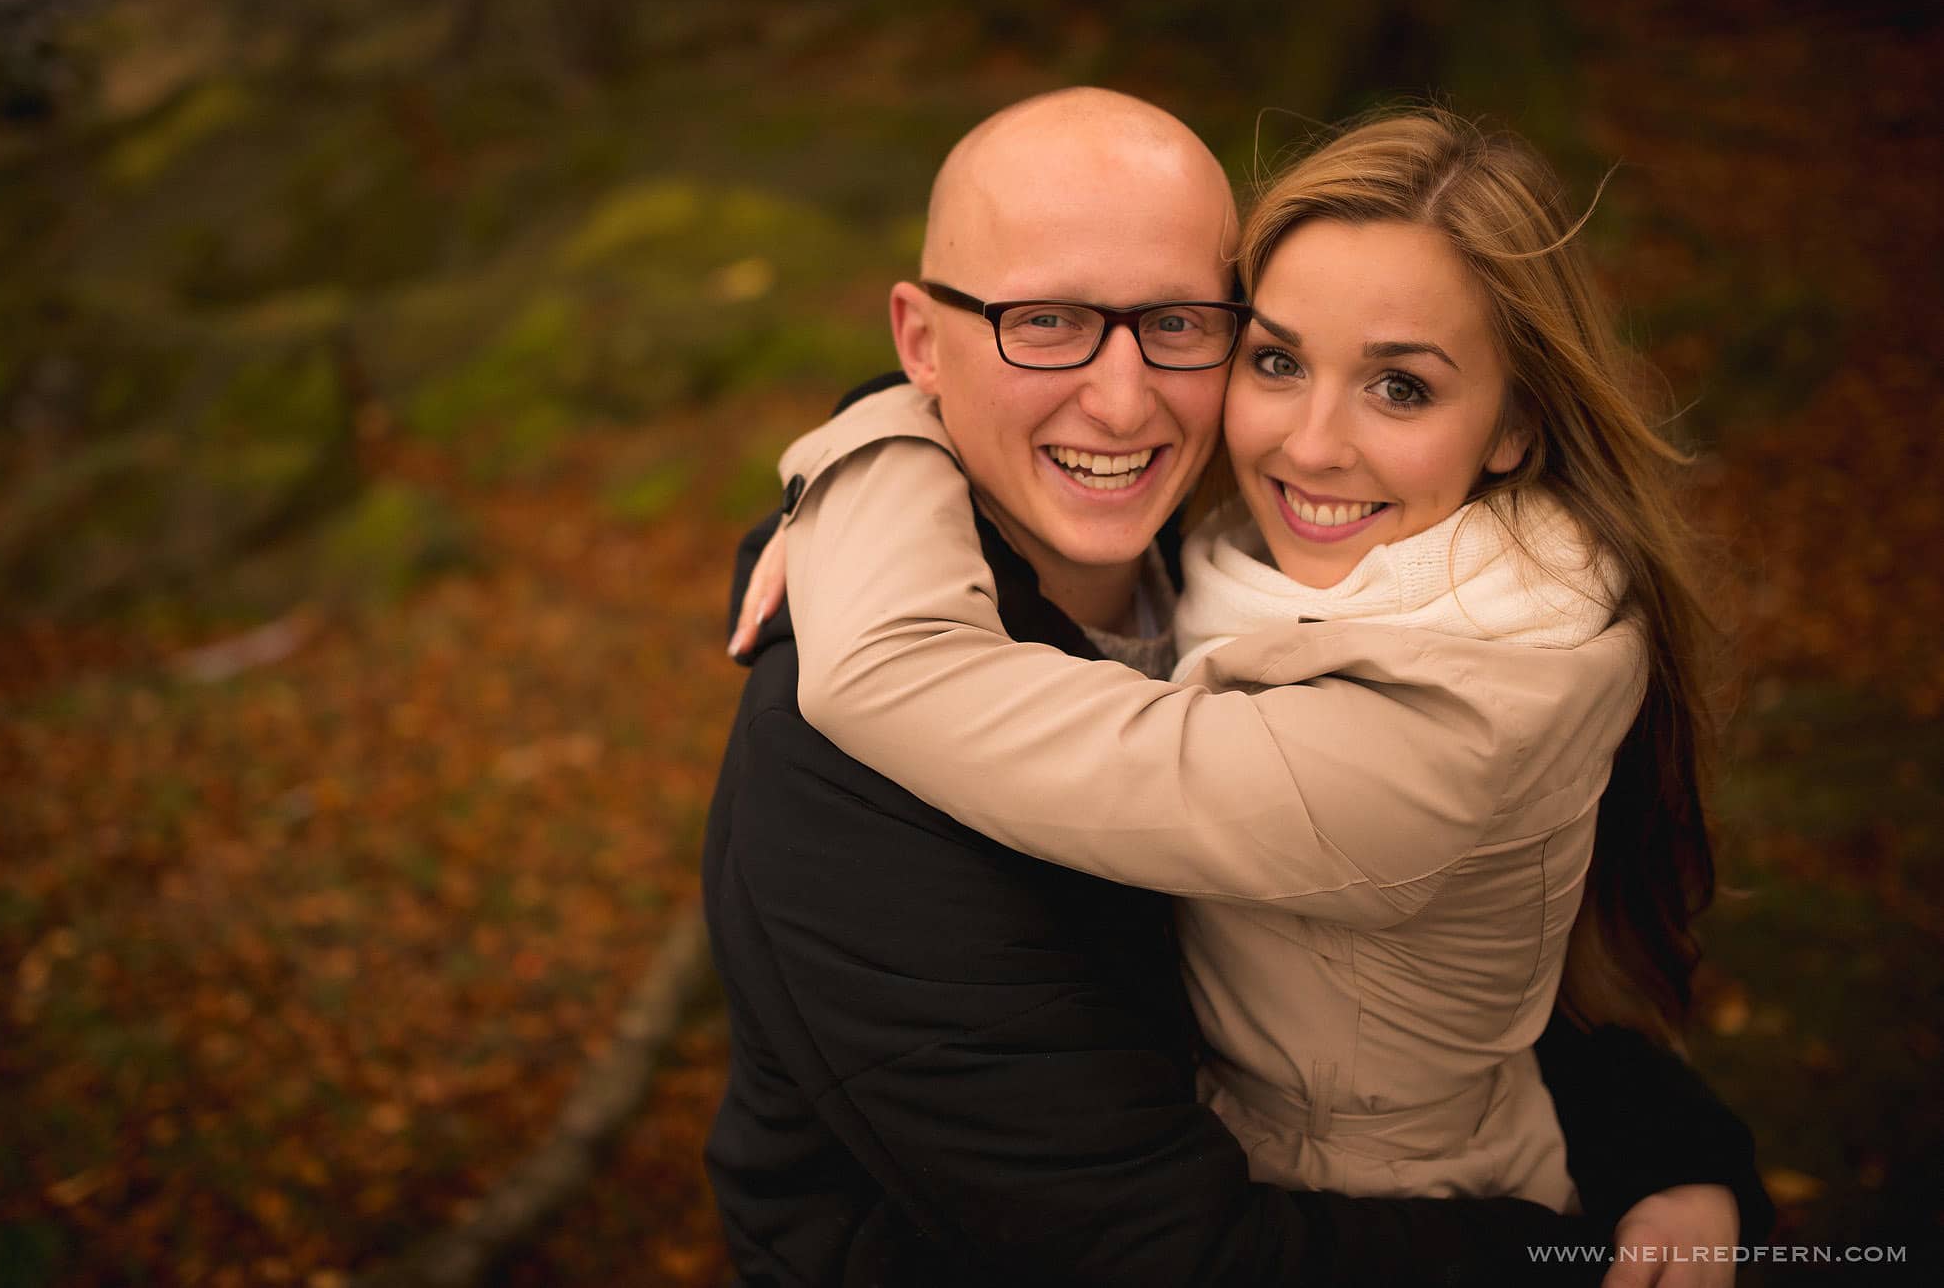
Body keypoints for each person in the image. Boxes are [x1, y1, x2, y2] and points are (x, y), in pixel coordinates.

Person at [704, 89, 1767, 1287]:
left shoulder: (1230, 564)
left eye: (1175, 323)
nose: (1119, 401)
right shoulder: (843, 785)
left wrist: (1667, 1153)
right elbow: (1172, 1255)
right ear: (921, 343)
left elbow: (1420, 961)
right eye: (1042, 321)